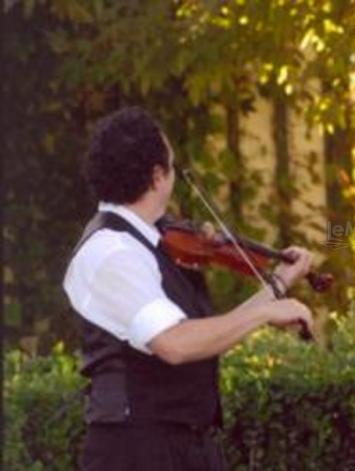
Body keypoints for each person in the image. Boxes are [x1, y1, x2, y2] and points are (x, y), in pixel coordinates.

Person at [63, 107, 314, 470]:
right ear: (156, 176)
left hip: (186, 447)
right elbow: (175, 343)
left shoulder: (151, 242)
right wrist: (264, 313)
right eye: (173, 165)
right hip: (136, 451)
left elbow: (202, 335)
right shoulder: (112, 252)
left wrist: (278, 284)